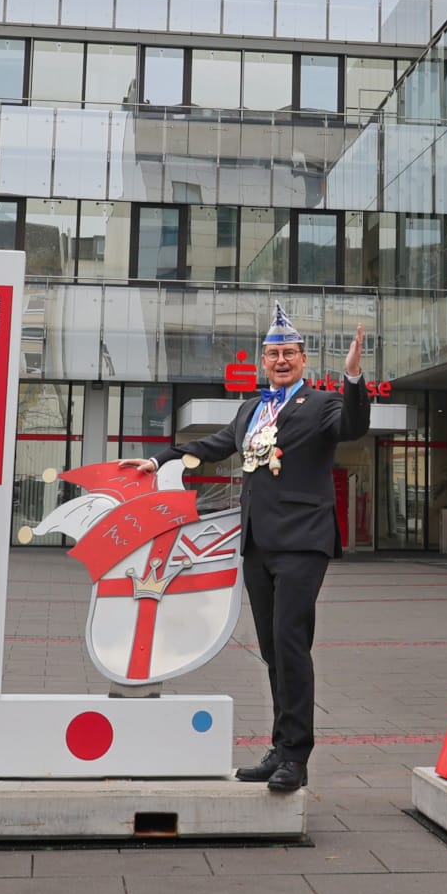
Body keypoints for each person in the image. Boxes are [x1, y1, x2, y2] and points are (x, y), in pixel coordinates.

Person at [141, 305, 367, 792]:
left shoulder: (322, 403)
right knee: (271, 648)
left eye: (289, 353)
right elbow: (215, 445)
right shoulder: (251, 409)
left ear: (304, 360)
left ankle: (295, 757)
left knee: (290, 641)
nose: (281, 360)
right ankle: (280, 747)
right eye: (273, 354)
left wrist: (353, 377)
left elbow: (352, 425)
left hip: (303, 540)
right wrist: (158, 458)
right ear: (263, 361)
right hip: (258, 543)